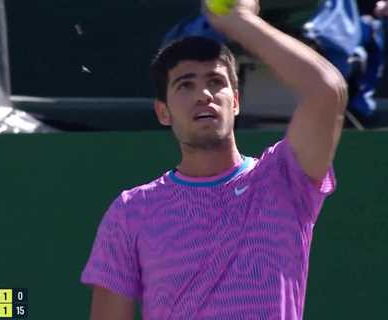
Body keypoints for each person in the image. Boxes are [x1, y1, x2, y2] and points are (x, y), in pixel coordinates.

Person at [80, 0, 347, 319]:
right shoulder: (130, 212)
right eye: (186, 85)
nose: (204, 94)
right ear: (163, 112)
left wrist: (241, 22)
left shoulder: (284, 178)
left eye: (215, 82)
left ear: (235, 102)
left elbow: (326, 90)